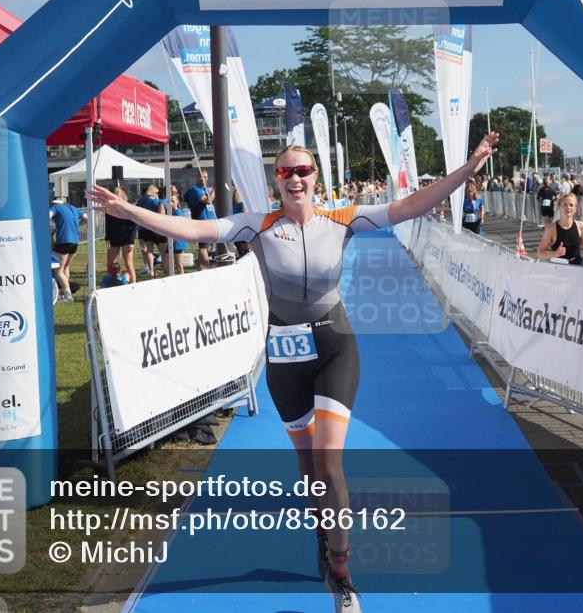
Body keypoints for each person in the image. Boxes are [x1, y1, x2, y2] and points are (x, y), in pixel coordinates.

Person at [87, 132, 501, 612]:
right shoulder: (256, 225)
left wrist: (468, 169)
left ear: (315, 178)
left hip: (334, 348)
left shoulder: (342, 219)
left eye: (304, 170)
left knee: (328, 463)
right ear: (276, 182)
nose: (297, 178)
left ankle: (342, 573)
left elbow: (411, 205)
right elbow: (192, 232)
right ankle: (325, 535)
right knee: (309, 473)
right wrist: (130, 212)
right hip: (284, 361)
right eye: (287, 172)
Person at [536, 193, 583, 265]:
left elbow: (581, 241)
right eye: (565, 204)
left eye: (571, 205)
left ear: (575, 209)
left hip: (578, 265)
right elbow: (540, 253)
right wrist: (555, 254)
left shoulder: (580, 225)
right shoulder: (551, 228)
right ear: (559, 207)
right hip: (559, 267)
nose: (568, 207)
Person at [50, 196, 87, 302]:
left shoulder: (56, 208)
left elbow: (47, 216)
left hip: (63, 242)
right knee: (66, 267)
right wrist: (77, 225)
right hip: (74, 243)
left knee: (58, 271)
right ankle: (64, 292)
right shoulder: (74, 208)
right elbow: (87, 217)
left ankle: (68, 296)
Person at [104, 185, 137, 285]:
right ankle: (112, 281)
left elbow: (134, 226)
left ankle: (133, 283)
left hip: (126, 238)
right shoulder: (109, 209)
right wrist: (107, 239)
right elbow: (108, 225)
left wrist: (132, 241)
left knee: (128, 262)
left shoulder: (128, 208)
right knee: (110, 263)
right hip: (114, 238)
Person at [186, 170, 217, 268]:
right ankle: (207, 268)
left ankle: (200, 267)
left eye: (205, 177)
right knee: (203, 248)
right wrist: (215, 188)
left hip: (209, 222)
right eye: (201, 177)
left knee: (205, 248)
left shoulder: (204, 189)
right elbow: (208, 200)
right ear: (197, 177)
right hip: (201, 224)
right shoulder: (195, 189)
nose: (203, 179)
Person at [135, 185, 165, 277]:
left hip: (144, 228)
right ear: (154, 192)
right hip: (156, 228)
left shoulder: (141, 200)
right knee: (163, 251)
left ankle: (151, 270)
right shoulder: (157, 201)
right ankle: (165, 268)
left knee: (149, 251)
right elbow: (161, 213)